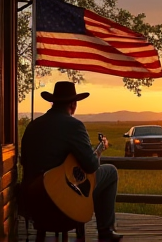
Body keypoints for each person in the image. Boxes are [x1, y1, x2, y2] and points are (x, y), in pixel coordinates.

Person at [20, 81, 123, 242]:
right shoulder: (74, 126)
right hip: (63, 203)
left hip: (34, 205)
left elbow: (25, 161)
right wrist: (100, 150)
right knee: (111, 172)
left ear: (53, 102)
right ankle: (105, 230)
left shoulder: (33, 126)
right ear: (73, 104)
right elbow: (91, 165)